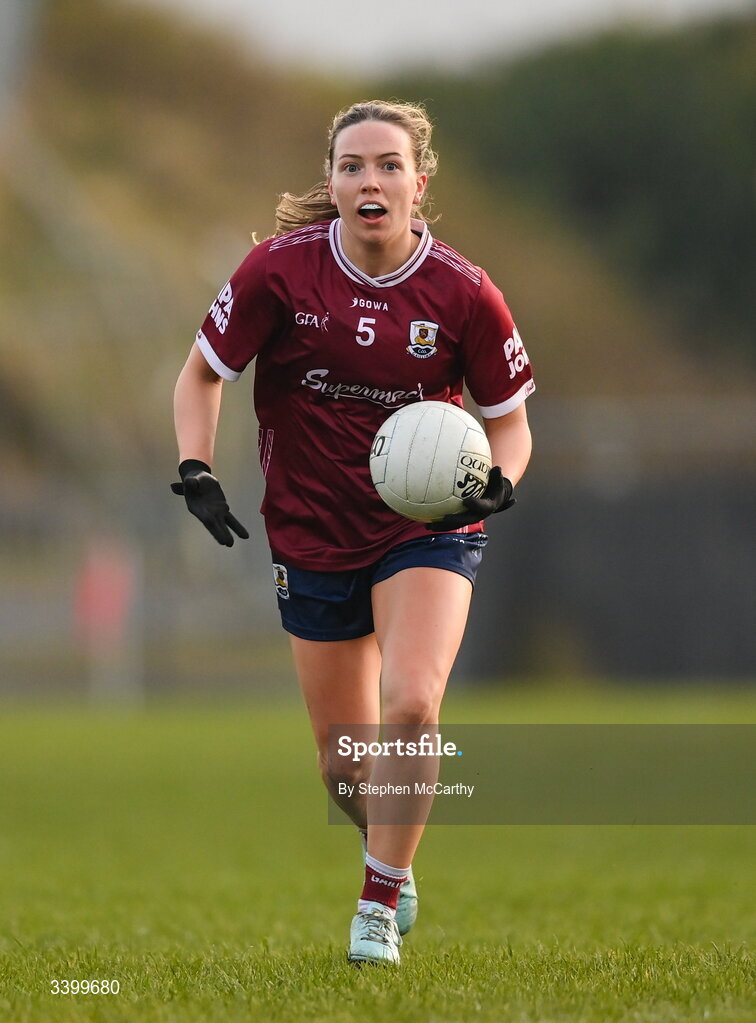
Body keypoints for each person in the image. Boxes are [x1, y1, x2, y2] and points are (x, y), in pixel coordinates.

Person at [172, 99, 535, 965]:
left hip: (427, 526)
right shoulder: (279, 272)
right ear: (331, 182)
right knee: (345, 770)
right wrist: (196, 467)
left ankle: (374, 908)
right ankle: (392, 856)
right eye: (350, 165)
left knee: (412, 702)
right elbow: (200, 375)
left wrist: (497, 483)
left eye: (386, 164)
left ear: (418, 180)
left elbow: (511, 423)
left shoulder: (464, 290)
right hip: (309, 528)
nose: (369, 179)